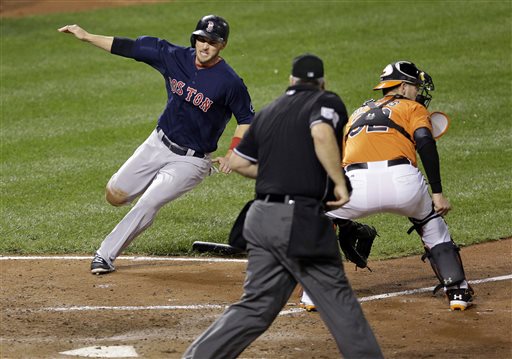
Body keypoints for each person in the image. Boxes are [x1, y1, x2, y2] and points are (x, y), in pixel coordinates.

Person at [182, 54, 383, 358]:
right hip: (300, 222)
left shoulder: (269, 111)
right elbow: (320, 133)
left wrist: (279, 173)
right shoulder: (325, 101)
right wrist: (339, 182)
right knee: (339, 301)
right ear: (321, 82)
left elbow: (237, 162)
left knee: (256, 307)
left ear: (291, 80)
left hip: (261, 219)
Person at [58, 15, 255, 274]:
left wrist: (233, 153)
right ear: (194, 38)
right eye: (202, 39)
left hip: (192, 160)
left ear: (222, 45)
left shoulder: (230, 82)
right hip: (157, 143)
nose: (205, 46)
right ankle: (139, 192)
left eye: (213, 42)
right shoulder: (172, 56)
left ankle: (105, 255)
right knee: (115, 195)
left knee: (149, 203)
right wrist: (87, 36)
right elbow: (129, 47)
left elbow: (246, 119)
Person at [313, 60, 473, 311]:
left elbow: (335, 160)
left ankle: (313, 295)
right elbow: (425, 143)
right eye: (416, 86)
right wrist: (438, 192)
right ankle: (457, 291)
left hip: (355, 185)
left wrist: (339, 218)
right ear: (404, 86)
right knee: (431, 221)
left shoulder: (357, 113)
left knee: (320, 219)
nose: (418, 92)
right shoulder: (412, 108)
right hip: (403, 182)